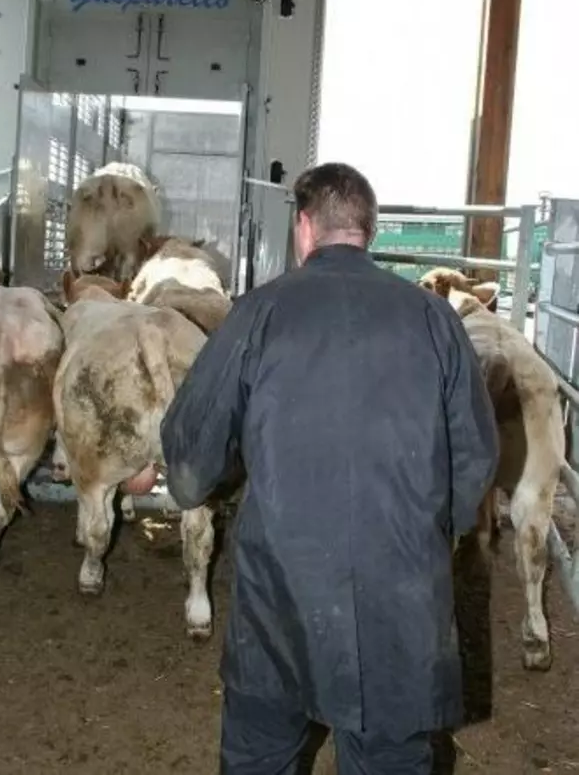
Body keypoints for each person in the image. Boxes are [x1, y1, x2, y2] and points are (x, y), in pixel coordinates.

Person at [160, 162, 500, 775]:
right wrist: (424, 541)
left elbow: (188, 462)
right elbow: (475, 459)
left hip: (278, 604)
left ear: (304, 228)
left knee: (262, 756)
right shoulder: (435, 321)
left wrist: (211, 481)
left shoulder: (257, 314)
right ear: (368, 230)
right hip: (399, 609)